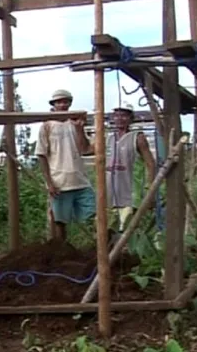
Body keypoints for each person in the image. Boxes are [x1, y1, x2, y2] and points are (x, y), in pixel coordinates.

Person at [35, 89, 94, 242]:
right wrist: (49, 183)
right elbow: (41, 155)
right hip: (59, 182)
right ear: (53, 105)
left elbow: (84, 149)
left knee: (93, 217)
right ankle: (61, 252)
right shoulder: (47, 126)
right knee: (60, 222)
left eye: (66, 101)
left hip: (80, 181)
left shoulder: (74, 123)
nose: (63, 105)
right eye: (59, 102)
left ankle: (97, 251)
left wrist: (80, 129)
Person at [106, 102, 156, 231]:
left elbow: (150, 163)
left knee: (127, 228)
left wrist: (150, 188)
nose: (119, 119)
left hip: (130, 191)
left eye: (124, 116)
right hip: (111, 193)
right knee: (110, 228)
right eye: (116, 115)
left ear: (130, 118)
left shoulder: (137, 137)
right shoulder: (109, 138)